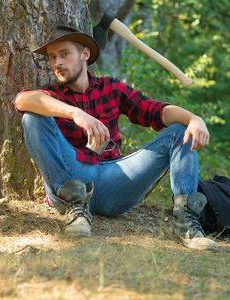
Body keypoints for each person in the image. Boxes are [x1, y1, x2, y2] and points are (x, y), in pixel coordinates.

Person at [13, 25, 217, 250]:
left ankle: (187, 223)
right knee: (32, 117)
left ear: (85, 54)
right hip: (74, 177)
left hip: (115, 181)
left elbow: (156, 111)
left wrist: (194, 119)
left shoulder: (111, 88)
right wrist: (75, 113)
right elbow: (23, 100)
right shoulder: (53, 96)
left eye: (64, 54)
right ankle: (76, 208)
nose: (57, 63)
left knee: (180, 130)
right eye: (52, 57)